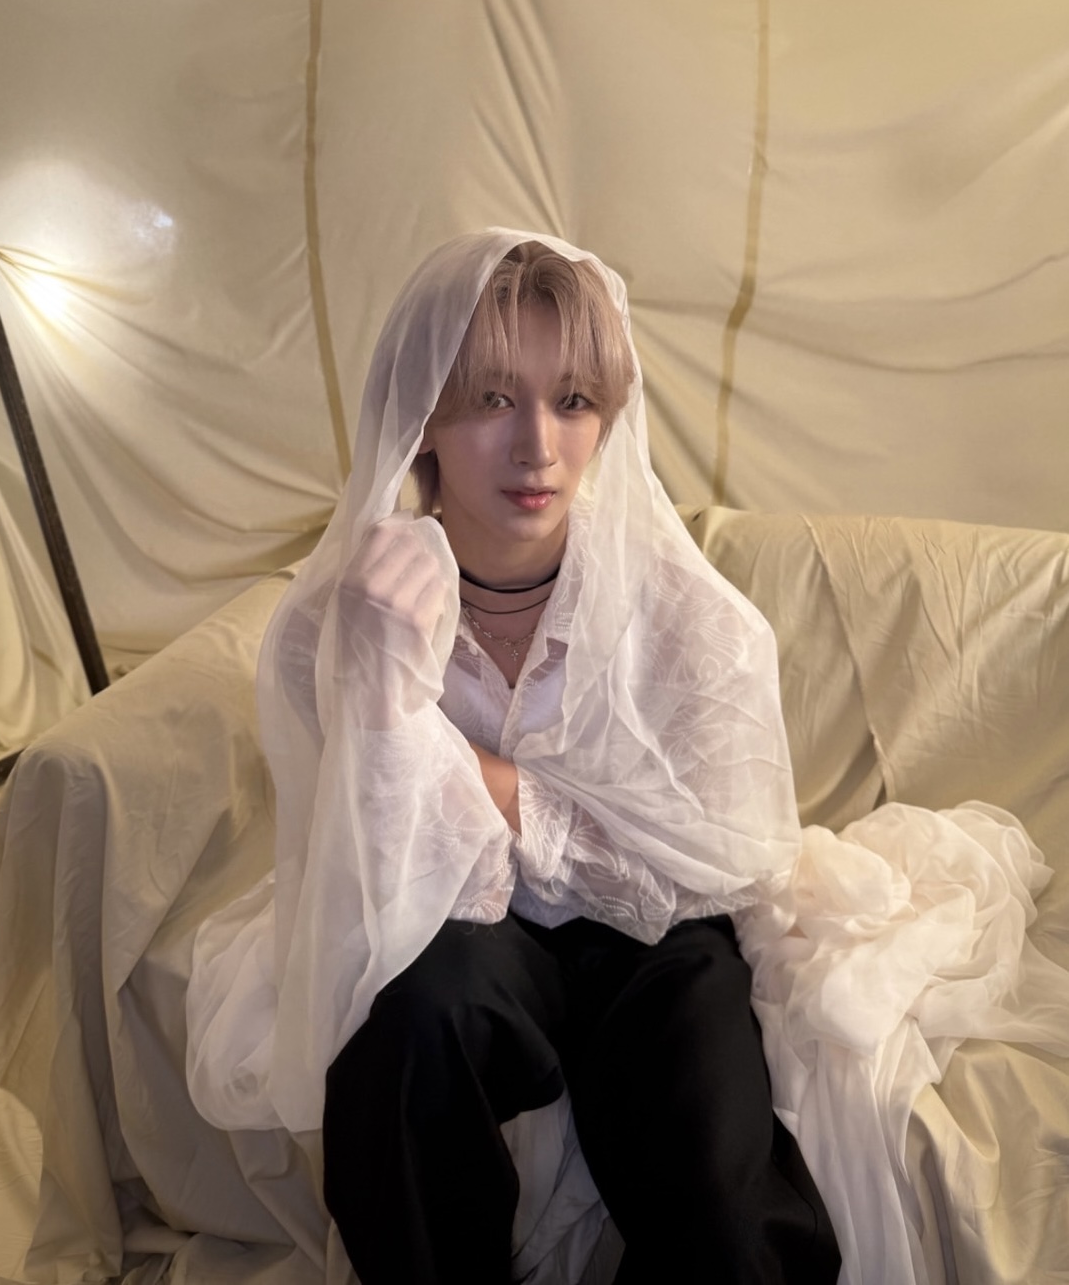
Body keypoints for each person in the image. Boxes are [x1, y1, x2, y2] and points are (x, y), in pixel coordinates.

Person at [186, 229, 1069, 1285]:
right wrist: (382, 703)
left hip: (660, 931)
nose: (538, 448)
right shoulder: (345, 616)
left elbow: (717, 862)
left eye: (572, 401)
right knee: (403, 1033)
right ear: (422, 417)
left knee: (717, 1183)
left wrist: (484, 781)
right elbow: (373, 879)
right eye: (492, 399)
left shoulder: (683, 611)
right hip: (455, 921)